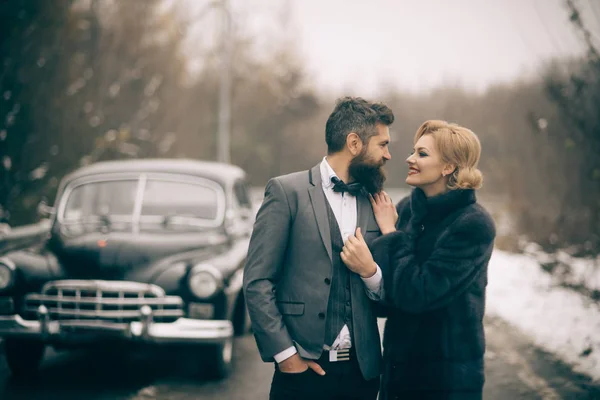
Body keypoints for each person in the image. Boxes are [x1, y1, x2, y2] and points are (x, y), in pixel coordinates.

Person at [243, 96, 395, 400]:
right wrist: (286, 356)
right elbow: (258, 282)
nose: (388, 155)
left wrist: (372, 274)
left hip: (362, 376)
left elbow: (388, 299)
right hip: (301, 373)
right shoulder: (287, 192)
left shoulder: (378, 204)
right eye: (382, 144)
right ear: (354, 143)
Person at [340, 120, 496, 400]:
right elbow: (389, 299)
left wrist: (390, 233)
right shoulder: (406, 211)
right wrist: (369, 273)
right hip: (399, 375)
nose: (410, 159)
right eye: (414, 151)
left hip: (446, 380)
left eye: (422, 154)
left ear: (448, 167)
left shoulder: (473, 224)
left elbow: (418, 294)